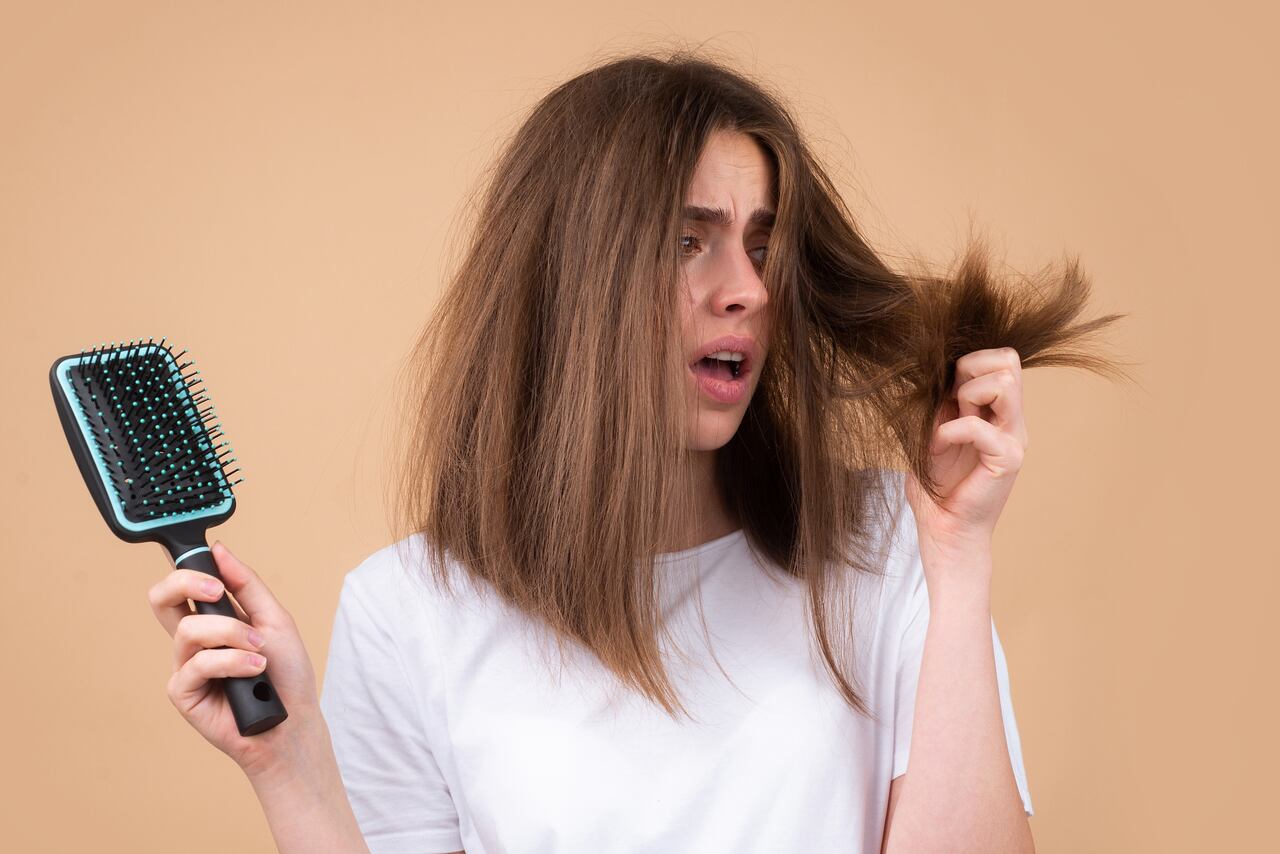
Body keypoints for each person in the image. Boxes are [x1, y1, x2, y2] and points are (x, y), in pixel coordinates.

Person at [147, 49, 1125, 853]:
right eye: (685, 241)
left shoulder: (889, 543)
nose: (743, 286)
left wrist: (956, 558)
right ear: (576, 281)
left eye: (760, 242)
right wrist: (289, 764)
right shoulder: (408, 608)